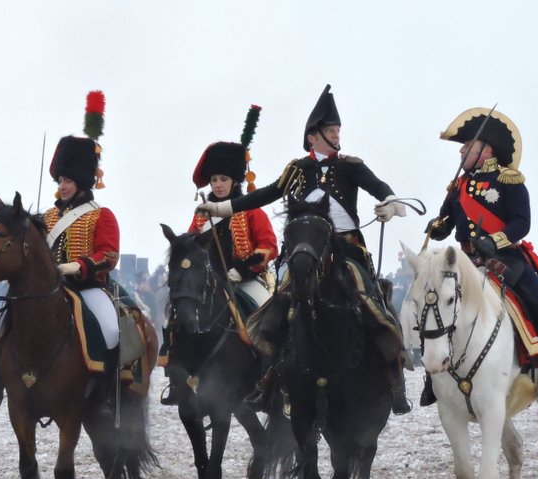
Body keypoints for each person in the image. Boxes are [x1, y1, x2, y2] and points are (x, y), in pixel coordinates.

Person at [196, 85, 412, 414]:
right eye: (330, 130)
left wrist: (390, 201)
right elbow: (263, 195)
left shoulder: (351, 166)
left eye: (338, 129)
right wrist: (223, 209)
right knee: (277, 309)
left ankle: (394, 378)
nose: (336, 135)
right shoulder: (297, 168)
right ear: (313, 137)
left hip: (345, 249)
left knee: (375, 304)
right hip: (301, 251)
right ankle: (269, 379)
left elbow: (377, 185)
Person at [0, 91, 123, 409]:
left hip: (87, 286)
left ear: (83, 182)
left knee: (109, 328)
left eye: (69, 180)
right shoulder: (46, 217)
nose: (63, 185)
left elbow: (109, 255)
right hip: (46, 289)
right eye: (61, 179)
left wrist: (78, 267)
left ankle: (107, 393)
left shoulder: (100, 215)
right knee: (0, 326)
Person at [424, 107, 538, 403]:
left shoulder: (509, 180)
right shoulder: (458, 187)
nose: (461, 153)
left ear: (485, 149)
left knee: (537, 300)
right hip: (464, 259)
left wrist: (494, 240)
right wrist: (436, 227)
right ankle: (432, 377)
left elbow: (522, 221)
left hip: (505, 257)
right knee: (431, 298)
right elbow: (446, 224)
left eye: (466, 147)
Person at [159, 110, 279, 405]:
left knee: (268, 318)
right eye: (214, 179)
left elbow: (268, 245)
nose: (218, 185)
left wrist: (246, 268)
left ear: (234, 180)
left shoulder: (251, 210)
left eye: (224, 179)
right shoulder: (201, 215)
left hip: (245, 280)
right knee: (174, 316)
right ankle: (176, 377)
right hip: (207, 284)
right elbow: (188, 245)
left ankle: (269, 379)